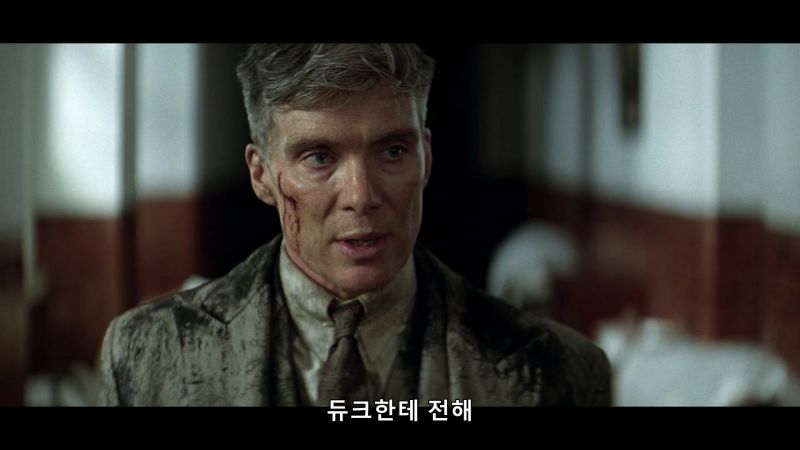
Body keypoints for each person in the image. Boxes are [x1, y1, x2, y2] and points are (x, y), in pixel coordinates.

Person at [96, 44, 610, 406]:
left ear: (426, 157)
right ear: (261, 175)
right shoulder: (147, 357)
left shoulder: (557, 372)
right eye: (319, 157)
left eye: (393, 151)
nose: (362, 197)